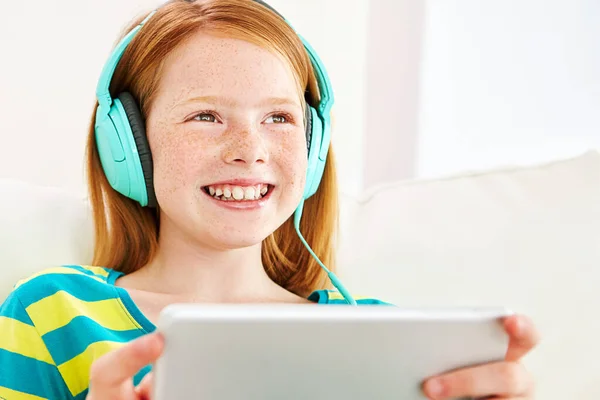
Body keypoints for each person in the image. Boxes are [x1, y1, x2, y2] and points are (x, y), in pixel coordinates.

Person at [0, 0, 540, 399]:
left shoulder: (385, 338)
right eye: (206, 116)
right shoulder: (55, 312)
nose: (250, 151)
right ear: (129, 146)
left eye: (279, 117)